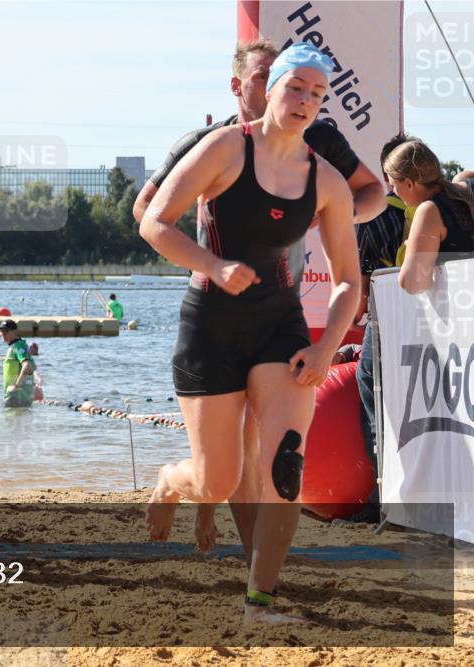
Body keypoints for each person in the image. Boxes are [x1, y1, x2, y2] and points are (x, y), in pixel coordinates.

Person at [133, 38, 384, 557]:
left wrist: (327, 218)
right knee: (222, 464)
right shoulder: (210, 142)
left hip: (283, 306)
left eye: (311, 89)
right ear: (245, 85)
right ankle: (194, 490)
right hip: (215, 303)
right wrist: (211, 260)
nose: (297, 96)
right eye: (271, 78)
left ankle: (256, 571)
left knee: (270, 453)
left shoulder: (322, 145)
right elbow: (146, 212)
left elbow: (374, 194)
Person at [348, 133, 417, 525]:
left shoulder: (373, 215)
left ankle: (383, 503)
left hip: (387, 322)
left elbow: (358, 290)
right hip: (441, 329)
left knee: (374, 401)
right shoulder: (446, 207)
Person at [387, 140, 474, 294]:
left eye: (393, 184)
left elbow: (412, 283)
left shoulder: (429, 210)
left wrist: (412, 244)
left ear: (408, 183)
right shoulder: (466, 188)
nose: (393, 191)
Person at [0, 319, 37, 408]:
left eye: (6, 331)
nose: (3, 333)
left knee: (9, 420)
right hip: (17, 396)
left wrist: (16, 386)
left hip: (17, 396)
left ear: (14, 331)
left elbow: (26, 366)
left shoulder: (19, 346)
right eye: (1, 331)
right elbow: (33, 366)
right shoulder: (15, 346)